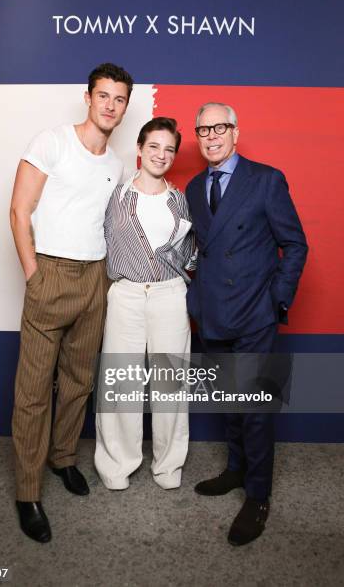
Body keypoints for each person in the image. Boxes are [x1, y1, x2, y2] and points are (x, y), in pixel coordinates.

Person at [10, 62, 134, 543]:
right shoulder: (51, 141)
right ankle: (27, 492)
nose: (110, 105)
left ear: (125, 106)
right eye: (103, 95)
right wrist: (34, 276)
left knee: (79, 381)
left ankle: (63, 459)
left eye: (119, 99)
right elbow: (20, 211)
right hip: (51, 273)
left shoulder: (117, 165)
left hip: (94, 279)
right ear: (88, 97)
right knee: (34, 390)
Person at [185, 102, 308, 546]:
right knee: (227, 401)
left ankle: (258, 495)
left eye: (219, 127)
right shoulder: (196, 188)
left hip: (255, 312)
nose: (211, 136)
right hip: (214, 312)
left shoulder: (266, 180)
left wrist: (278, 298)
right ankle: (236, 470)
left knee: (254, 408)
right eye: (203, 130)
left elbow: (295, 244)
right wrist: (194, 300)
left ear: (236, 132)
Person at [95, 117, 194, 491]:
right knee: (122, 382)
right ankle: (117, 464)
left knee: (171, 384)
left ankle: (168, 465)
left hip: (170, 295)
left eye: (169, 149)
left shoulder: (179, 200)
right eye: (154, 146)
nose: (161, 155)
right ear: (139, 149)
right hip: (126, 295)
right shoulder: (115, 195)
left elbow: (192, 254)